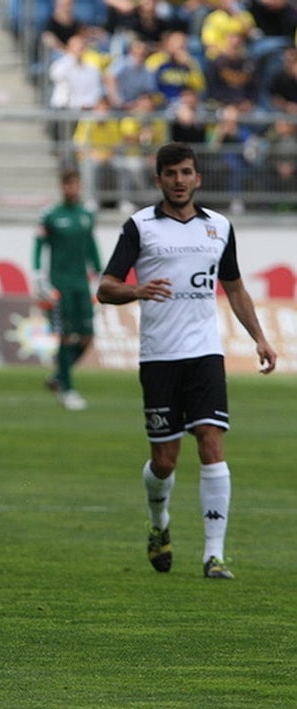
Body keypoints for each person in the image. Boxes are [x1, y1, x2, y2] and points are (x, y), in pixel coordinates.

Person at [96, 142, 277, 580]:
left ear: (197, 178)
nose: (179, 180)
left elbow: (233, 287)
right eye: (171, 173)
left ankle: (214, 555)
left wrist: (260, 338)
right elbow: (106, 288)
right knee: (165, 462)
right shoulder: (140, 227)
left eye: (186, 173)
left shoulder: (218, 227)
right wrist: (137, 290)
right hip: (159, 356)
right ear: (158, 179)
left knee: (212, 443)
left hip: (204, 354)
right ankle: (159, 525)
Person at [33, 167, 101, 412]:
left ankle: (59, 376)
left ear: (79, 186)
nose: (70, 188)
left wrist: (99, 271)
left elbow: (91, 244)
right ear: (61, 187)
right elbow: (39, 246)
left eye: (74, 184)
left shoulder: (87, 214)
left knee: (87, 336)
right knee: (64, 335)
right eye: (66, 184)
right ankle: (67, 390)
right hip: (59, 284)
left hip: (81, 283)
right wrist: (38, 274)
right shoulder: (50, 215)